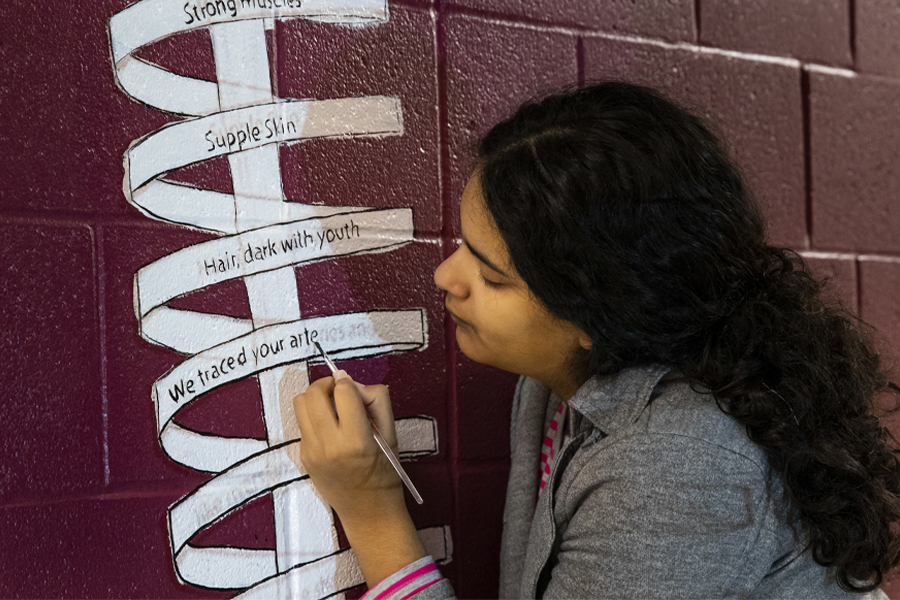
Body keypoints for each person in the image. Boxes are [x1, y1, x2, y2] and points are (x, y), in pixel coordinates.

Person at [292, 81, 900, 598]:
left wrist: (371, 509)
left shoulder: (675, 467)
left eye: (492, 276)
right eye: (462, 248)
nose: (445, 278)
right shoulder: (570, 381)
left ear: (596, 315)